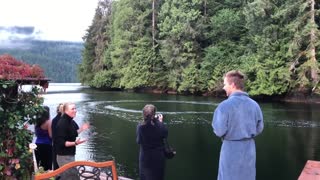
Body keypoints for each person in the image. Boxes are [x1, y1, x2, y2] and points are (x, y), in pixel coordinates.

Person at [212, 70, 264, 180]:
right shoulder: (255, 105)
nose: (224, 87)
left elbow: (219, 131)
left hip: (230, 150)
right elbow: (259, 128)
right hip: (249, 149)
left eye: (225, 84)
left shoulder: (224, 106)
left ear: (232, 85)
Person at [55, 102, 89, 179]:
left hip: (69, 155)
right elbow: (61, 143)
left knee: (70, 177)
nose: (75, 110)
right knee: (72, 177)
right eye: (72, 109)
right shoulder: (62, 123)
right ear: (66, 111)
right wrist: (75, 143)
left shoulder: (71, 121)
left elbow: (73, 133)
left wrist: (82, 129)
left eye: (75, 108)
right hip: (63, 156)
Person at [136, 104, 168, 180]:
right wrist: (160, 122)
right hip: (158, 157)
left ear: (143, 114)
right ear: (154, 114)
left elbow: (138, 141)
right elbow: (165, 135)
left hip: (145, 158)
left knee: (145, 177)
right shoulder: (160, 125)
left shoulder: (140, 126)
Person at [35, 105, 53, 171]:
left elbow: (37, 134)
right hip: (47, 145)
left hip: (37, 144)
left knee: (40, 164)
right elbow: (51, 135)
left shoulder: (37, 122)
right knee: (47, 165)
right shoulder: (49, 122)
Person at [51, 103, 64, 170]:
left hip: (56, 144)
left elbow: (53, 135)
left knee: (56, 164)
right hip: (61, 145)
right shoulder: (64, 120)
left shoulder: (54, 120)